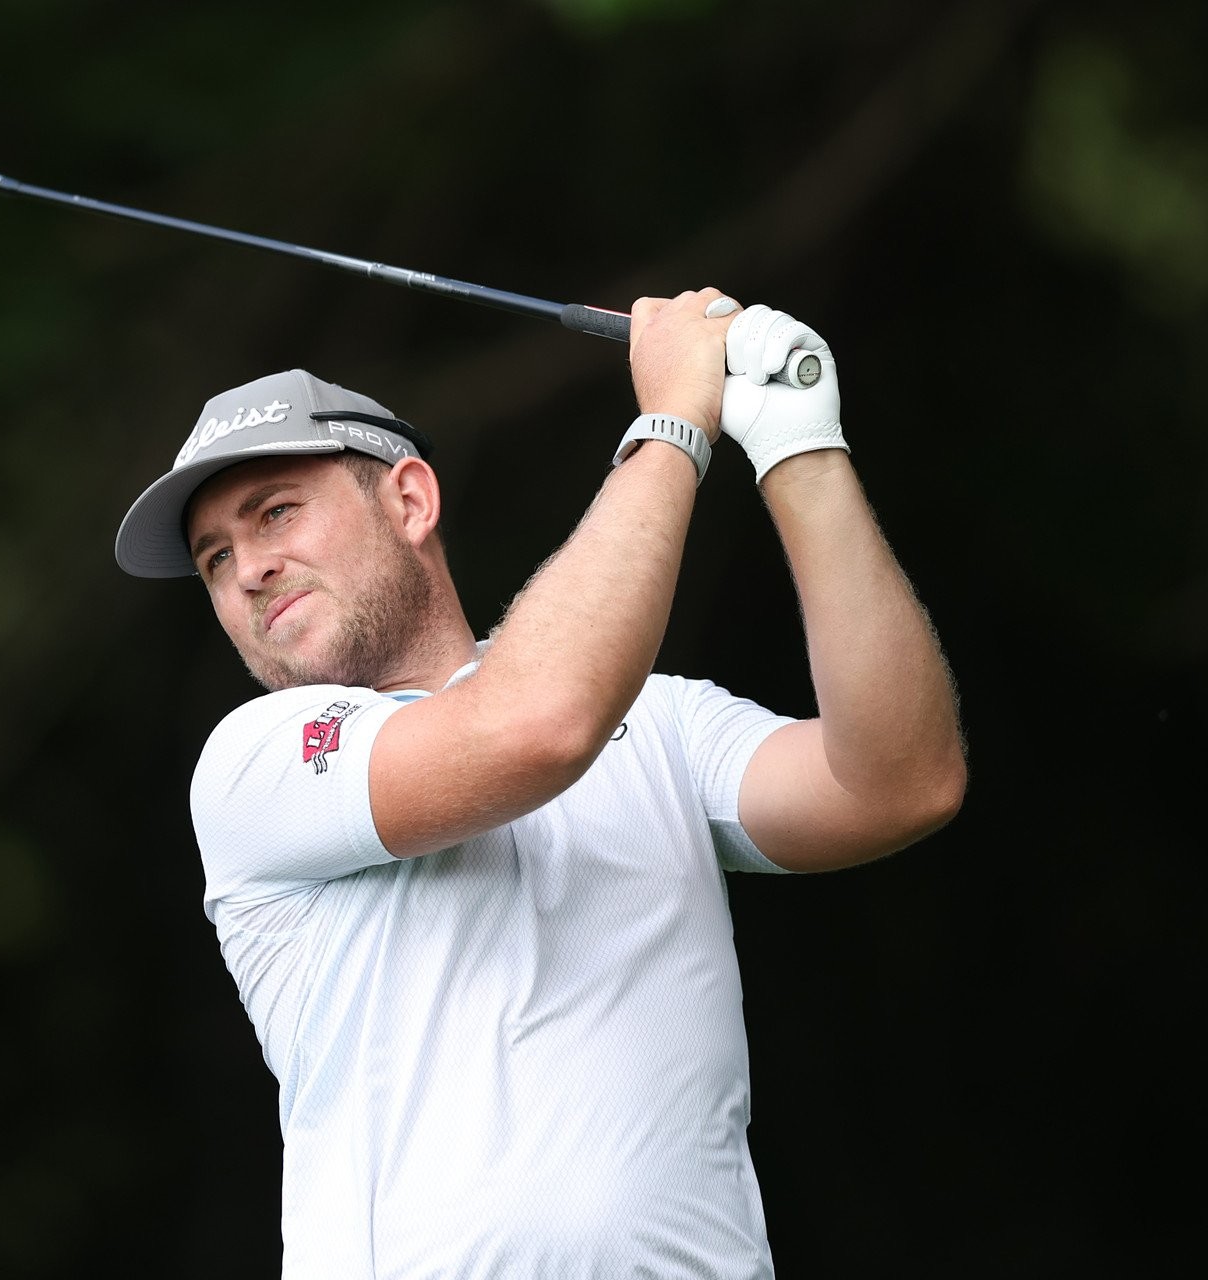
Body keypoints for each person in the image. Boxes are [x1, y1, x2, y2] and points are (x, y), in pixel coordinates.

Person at [111, 288, 967, 1279]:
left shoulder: (662, 723)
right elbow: (536, 726)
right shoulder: (257, 764)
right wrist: (674, 425)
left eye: (277, 513)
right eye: (216, 557)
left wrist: (799, 449)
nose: (250, 568)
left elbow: (902, 781)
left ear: (410, 500)